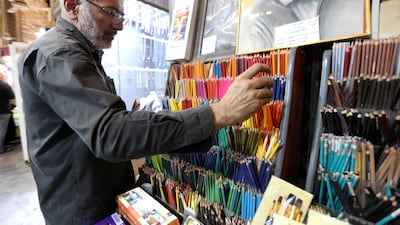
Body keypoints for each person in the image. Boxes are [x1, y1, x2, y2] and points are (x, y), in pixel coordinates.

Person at [18, 0, 273, 224]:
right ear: (72, 5)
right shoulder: (58, 54)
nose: (118, 25)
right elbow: (111, 133)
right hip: (83, 211)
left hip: (95, 202)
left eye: (120, 15)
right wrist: (217, 113)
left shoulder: (79, 53)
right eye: (110, 12)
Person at [0, 71, 15, 153]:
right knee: (2, 130)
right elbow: (12, 97)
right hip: (3, 110)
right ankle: (0, 147)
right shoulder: (4, 85)